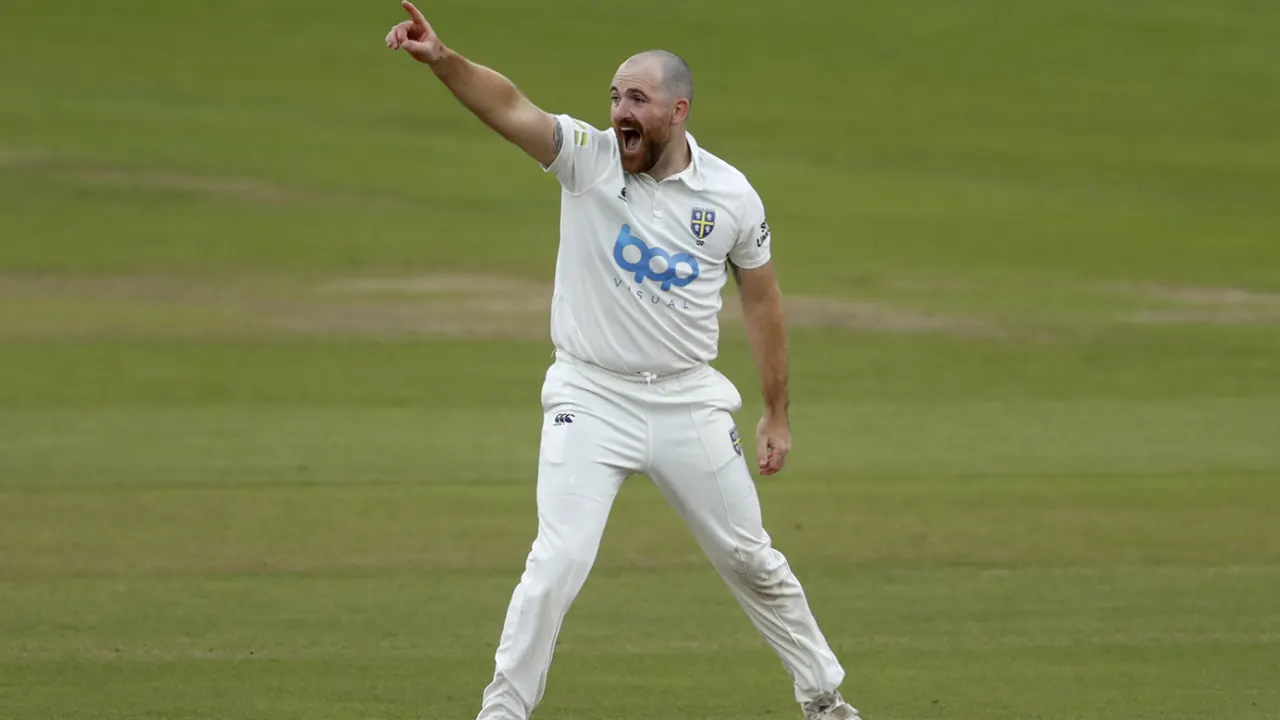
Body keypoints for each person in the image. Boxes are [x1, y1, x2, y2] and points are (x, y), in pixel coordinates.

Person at [385, 3, 860, 719]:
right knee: (558, 561)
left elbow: (762, 303)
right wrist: (443, 58)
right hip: (591, 394)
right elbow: (510, 107)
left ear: (678, 108)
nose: (617, 112)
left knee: (751, 559)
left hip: (688, 401)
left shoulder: (731, 197)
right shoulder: (588, 158)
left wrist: (776, 412)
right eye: (612, 97)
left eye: (635, 98)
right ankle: (503, 711)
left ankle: (824, 699)